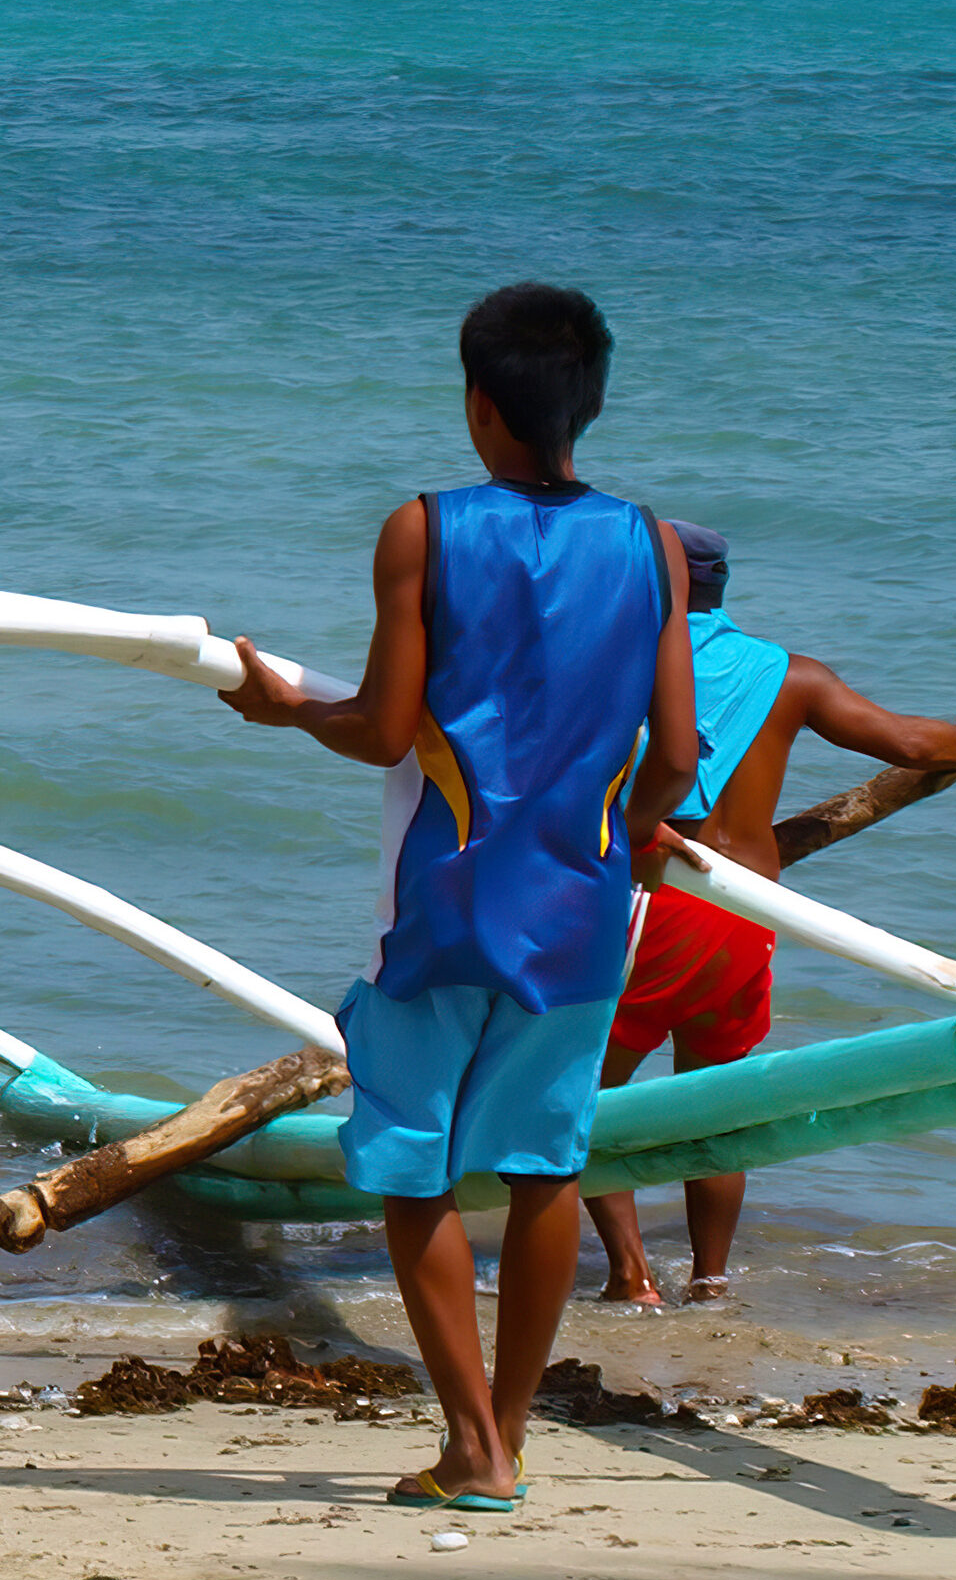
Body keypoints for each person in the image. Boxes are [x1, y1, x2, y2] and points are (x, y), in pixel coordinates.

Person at [225, 281, 696, 1512]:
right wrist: (632, 834)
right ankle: (510, 1432)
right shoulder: (649, 542)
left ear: (478, 402)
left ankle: (469, 1441)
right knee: (545, 1167)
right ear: (588, 403)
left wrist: (285, 709)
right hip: (580, 904)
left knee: (411, 1166)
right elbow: (674, 753)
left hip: (442, 899)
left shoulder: (421, 529)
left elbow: (384, 728)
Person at [592, 522, 956, 1309]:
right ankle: (710, 1280)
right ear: (721, 586)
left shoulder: (621, 662)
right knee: (715, 1099)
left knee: (587, 1092)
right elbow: (910, 743)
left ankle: (632, 1276)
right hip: (748, 915)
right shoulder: (789, 675)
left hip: (656, 901)